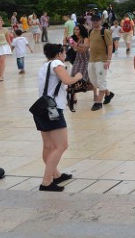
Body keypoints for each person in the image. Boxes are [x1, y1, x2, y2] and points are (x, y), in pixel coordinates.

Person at [35, 43, 82, 191]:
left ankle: (55, 175)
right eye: (64, 52)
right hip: (53, 111)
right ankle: (46, 182)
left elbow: (58, 85)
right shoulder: (56, 63)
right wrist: (78, 77)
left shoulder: (45, 66)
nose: (65, 55)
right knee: (62, 145)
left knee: (48, 146)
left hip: (41, 108)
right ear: (59, 54)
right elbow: (68, 80)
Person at [88, 15, 114, 111]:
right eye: (93, 21)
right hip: (92, 60)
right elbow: (88, 44)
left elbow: (110, 46)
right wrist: (76, 45)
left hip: (101, 60)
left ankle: (98, 103)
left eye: (97, 21)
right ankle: (108, 93)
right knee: (93, 81)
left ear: (101, 21)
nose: (95, 22)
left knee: (101, 81)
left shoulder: (105, 31)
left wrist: (108, 60)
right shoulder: (90, 31)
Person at [67, 24, 93, 113]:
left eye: (77, 29)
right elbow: (73, 47)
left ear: (81, 30)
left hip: (85, 60)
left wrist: (74, 45)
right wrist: (71, 42)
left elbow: (83, 50)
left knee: (85, 79)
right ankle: (73, 98)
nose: (76, 31)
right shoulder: (74, 38)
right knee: (73, 76)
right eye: (75, 29)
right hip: (77, 60)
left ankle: (97, 94)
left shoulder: (86, 39)